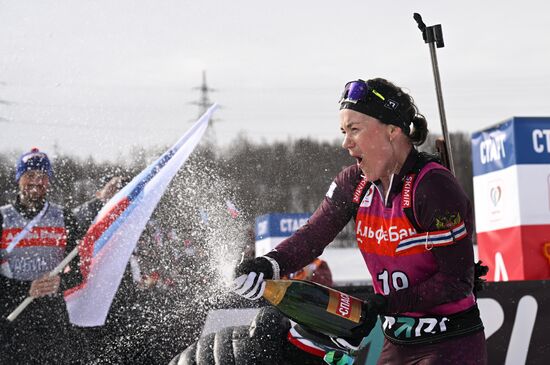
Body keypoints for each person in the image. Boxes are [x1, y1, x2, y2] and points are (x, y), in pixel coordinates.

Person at [233, 78, 487, 364]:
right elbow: (313, 236)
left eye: (355, 129)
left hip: (449, 342)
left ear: (392, 130)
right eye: (343, 131)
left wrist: (388, 303)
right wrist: (269, 264)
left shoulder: (432, 187)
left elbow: (457, 281)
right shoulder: (354, 183)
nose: (345, 142)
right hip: (396, 341)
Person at [0, 148, 121, 363]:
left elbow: (82, 268)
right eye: (30, 175)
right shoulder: (3, 218)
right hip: (11, 321)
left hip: (52, 322)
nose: (36, 182)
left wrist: (60, 282)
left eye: (43, 177)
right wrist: (25, 288)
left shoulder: (64, 217)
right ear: (19, 178)